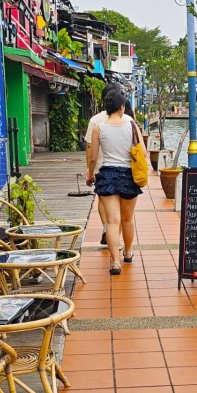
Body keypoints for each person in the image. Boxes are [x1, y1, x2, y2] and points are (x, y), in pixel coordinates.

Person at [86, 87, 142, 275]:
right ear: (122, 107)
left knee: (111, 222)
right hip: (128, 176)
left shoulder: (98, 128)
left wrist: (90, 174)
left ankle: (115, 262)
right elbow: (141, 151)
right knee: (128, 219)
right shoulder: (132, 125)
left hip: (107, 175)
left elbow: (93, 157)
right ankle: (127, 253)